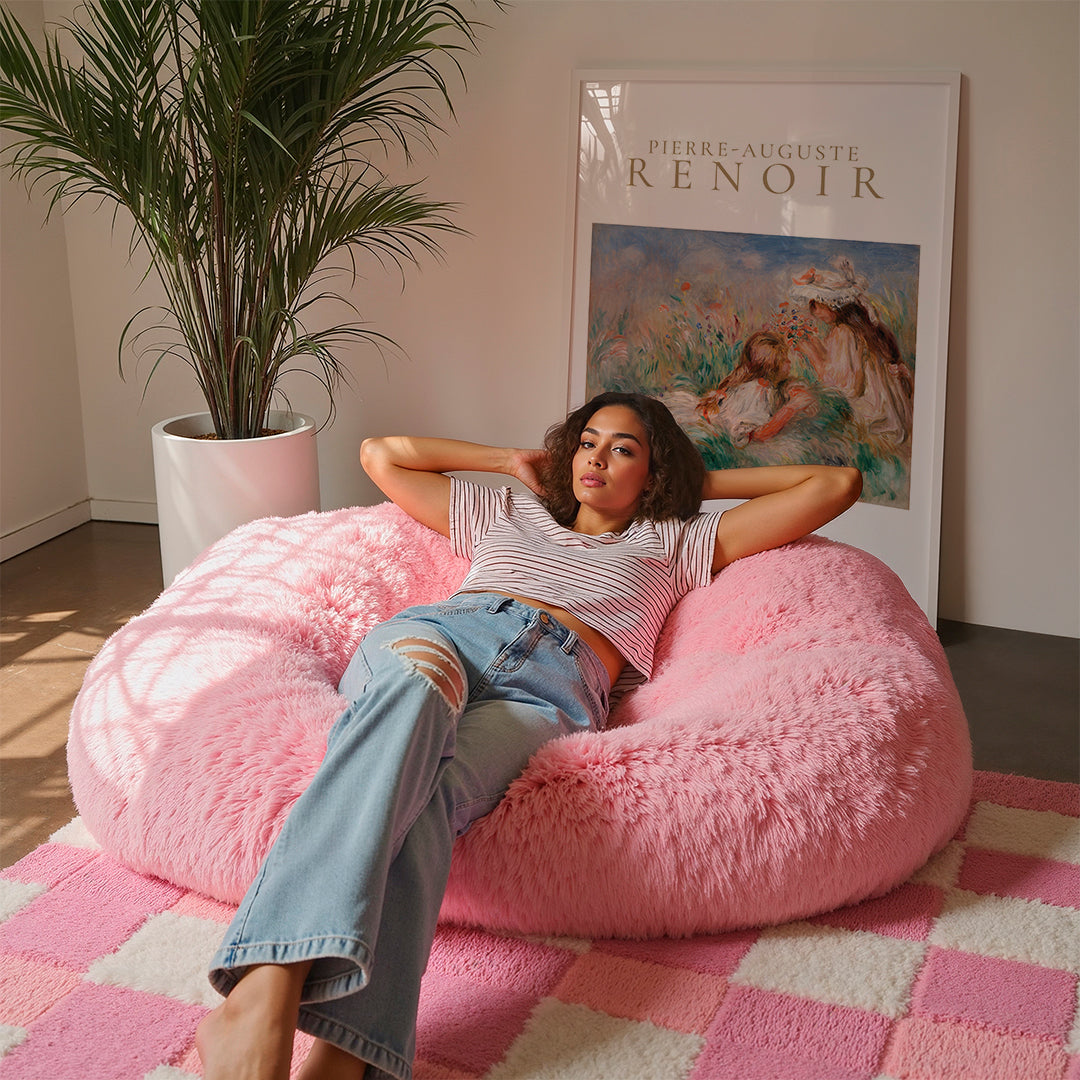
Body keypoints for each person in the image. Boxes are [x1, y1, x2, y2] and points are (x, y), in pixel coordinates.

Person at [195, 391, 862, 1080]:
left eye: (624, 449)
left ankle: (340, 1050)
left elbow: (835, 483)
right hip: (447, 636)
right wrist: (509, 462)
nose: (596, 458)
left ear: (655, 471)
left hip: (548, 688)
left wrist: (691, 482)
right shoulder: (513, 512)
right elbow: (381, 456)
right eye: (588, 441)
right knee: (417, 693)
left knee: (428, 799)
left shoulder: (677, 541)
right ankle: (272, 986)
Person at [791, 259, 914, 448]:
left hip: (872, 417)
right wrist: (817, 347)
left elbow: (844, 387)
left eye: (817, 304)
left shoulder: (842, 332)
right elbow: (843, 365)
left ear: (833, 304)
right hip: (891, 413)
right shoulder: (860, 329)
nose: (814, 312)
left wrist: (812, 354)